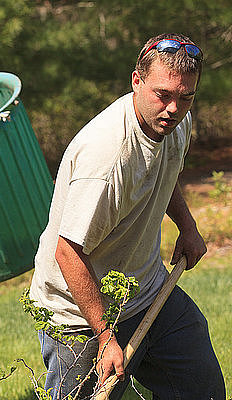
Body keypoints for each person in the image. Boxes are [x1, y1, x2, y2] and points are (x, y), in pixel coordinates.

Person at [29, 33, 225, 399]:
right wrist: (105, 337)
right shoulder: (107, 157)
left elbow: (165, 172)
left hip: (147, 291)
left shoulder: (175, 121)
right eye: (162, 95)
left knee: (201, 388)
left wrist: (187, 227)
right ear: (137, 81)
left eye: (186, 98)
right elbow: (67, 252)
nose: (173, 108)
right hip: (79, 317)